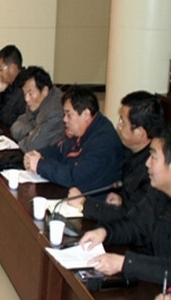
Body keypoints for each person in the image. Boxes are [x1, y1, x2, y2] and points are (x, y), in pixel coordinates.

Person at [79, 124, 171, 286]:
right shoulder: (158, 192)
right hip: (155, 284)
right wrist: (105, 232)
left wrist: (124, 264)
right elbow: (134, 225)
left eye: (153, 157)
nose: (147, 163)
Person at [67, 91, 164, 222]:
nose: (118, 126)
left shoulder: (153, 169)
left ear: (140, 132)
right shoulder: (128, 151)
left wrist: (83, 204)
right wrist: (120, 198)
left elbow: (133, 217)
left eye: (123, 122)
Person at [24, 85, 123, 193]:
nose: (64, 119)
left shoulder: (103, 142)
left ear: (86, 114)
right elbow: (59, 150)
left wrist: (40, 165)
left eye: (69, 114)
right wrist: (37, 155)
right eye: (64, 114)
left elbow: (76, 178)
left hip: (93, 198)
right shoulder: (79, 129)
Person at [10, 66, 64, 152]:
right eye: (25, 93)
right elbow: (15, 126)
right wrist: (31, 130)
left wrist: (24, 139)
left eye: (30, 93)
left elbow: (32, 146)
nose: (26, 99)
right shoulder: (38, 103)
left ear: (45, 91)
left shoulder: (55, 111)